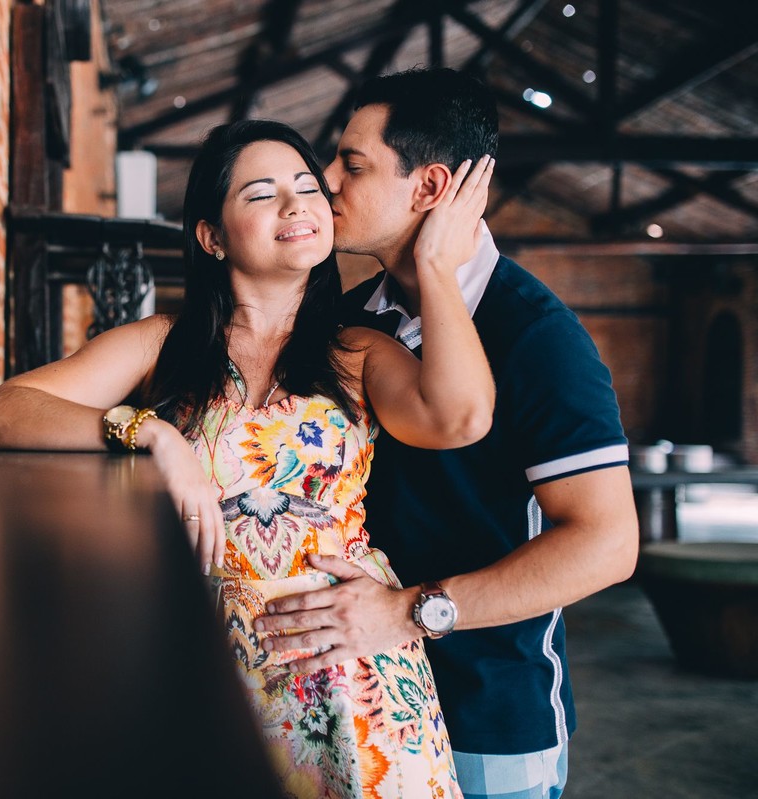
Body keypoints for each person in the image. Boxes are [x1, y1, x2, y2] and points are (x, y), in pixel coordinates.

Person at [0, 118, 495, 798]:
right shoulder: (163, 345)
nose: (297, 204)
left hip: (350, 670)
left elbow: (461, 416)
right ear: (211, 236)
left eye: (307, 188)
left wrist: (435, 269)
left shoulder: (358, 352)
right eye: (262, 193)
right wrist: (149, 433)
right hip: (200, 659)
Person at [254, 69, 639, 799]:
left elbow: (607, 543)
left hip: (487, 718)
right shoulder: (351, 320)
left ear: (430, 187)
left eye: (352, 164)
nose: (325, 179)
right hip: (356, 704)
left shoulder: (537, 335)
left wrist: (407, 611)